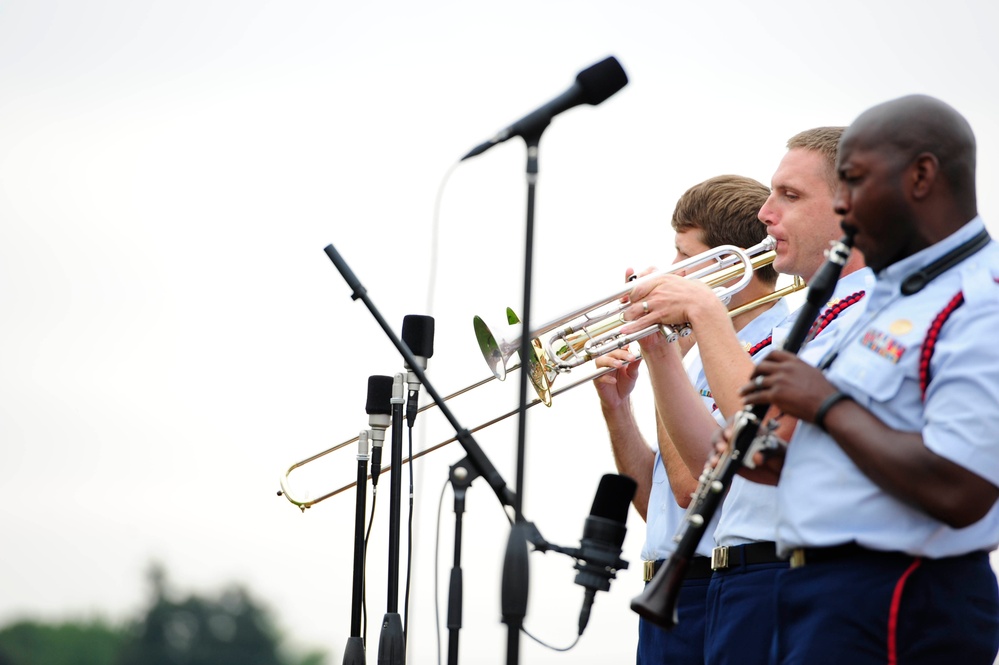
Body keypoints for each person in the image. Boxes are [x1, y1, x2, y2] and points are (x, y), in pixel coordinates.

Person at [739, 94, 999, 664]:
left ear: (922, 176)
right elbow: (865, 446)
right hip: (818, 593)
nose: (843, 204)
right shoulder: (889, 295)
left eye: (853, 181)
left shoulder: (982, 300)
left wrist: (824, 404)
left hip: (900, 596)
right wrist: (779, 457)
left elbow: (964, 488)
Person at [621, 127, 873, 665]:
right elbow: (715, 458)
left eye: (790, 195)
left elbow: (737, 458)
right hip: (735, 577)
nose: (765, 213)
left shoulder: (868, 314)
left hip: (786, 574)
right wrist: (660, 354)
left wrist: (705, 315)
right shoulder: (801, 329)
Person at [593, 174, 785, 664]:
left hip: (713, 587)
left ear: (724, 263)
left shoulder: (778, 345)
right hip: (669, 583)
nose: (671, 270)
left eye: (684, 256)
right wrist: (617, 409)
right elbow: (658, 505)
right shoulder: (697, 355)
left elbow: (691, 486)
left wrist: (664, 357)